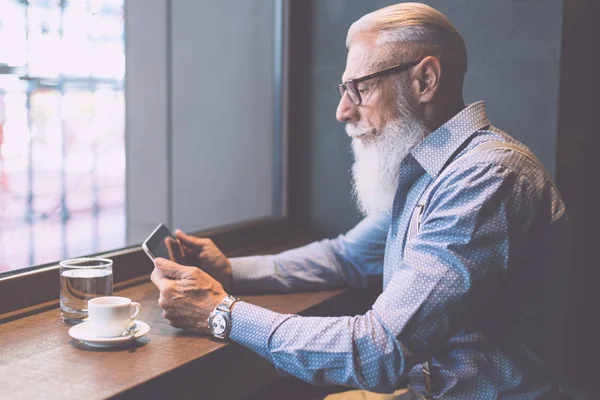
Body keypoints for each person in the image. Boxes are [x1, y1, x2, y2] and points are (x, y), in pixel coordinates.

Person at [151, 3, 569, 399]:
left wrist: (220, 313)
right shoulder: (430, 169)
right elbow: (346, 257)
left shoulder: (486, 178)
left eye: (360, 88)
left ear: (425, 80)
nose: (342, 111)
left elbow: (379, 350)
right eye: (343, 89)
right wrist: (230, 271)